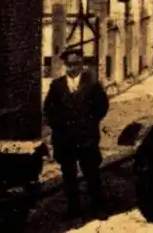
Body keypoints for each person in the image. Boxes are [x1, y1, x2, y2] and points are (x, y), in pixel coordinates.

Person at [43, 47, 110, 219]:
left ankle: (98, 207)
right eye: (70, 64)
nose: (74, 68)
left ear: (82, 64)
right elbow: (48, 109)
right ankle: (73, 209)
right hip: (65, 140)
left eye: (77, 63)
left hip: (86, 137)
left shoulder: (92, 85)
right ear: (65, 65)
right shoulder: (57, 86)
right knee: (69, 176)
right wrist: (58, 126)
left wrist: (90, 122)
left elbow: (102, 106)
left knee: (92, 174)